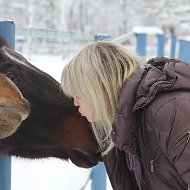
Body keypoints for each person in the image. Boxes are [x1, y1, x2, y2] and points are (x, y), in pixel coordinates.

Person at [61, 41, 190, 190]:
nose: (75, 103)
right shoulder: (120, 128)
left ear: (97, 89)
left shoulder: (171, 112)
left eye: (78, 93)